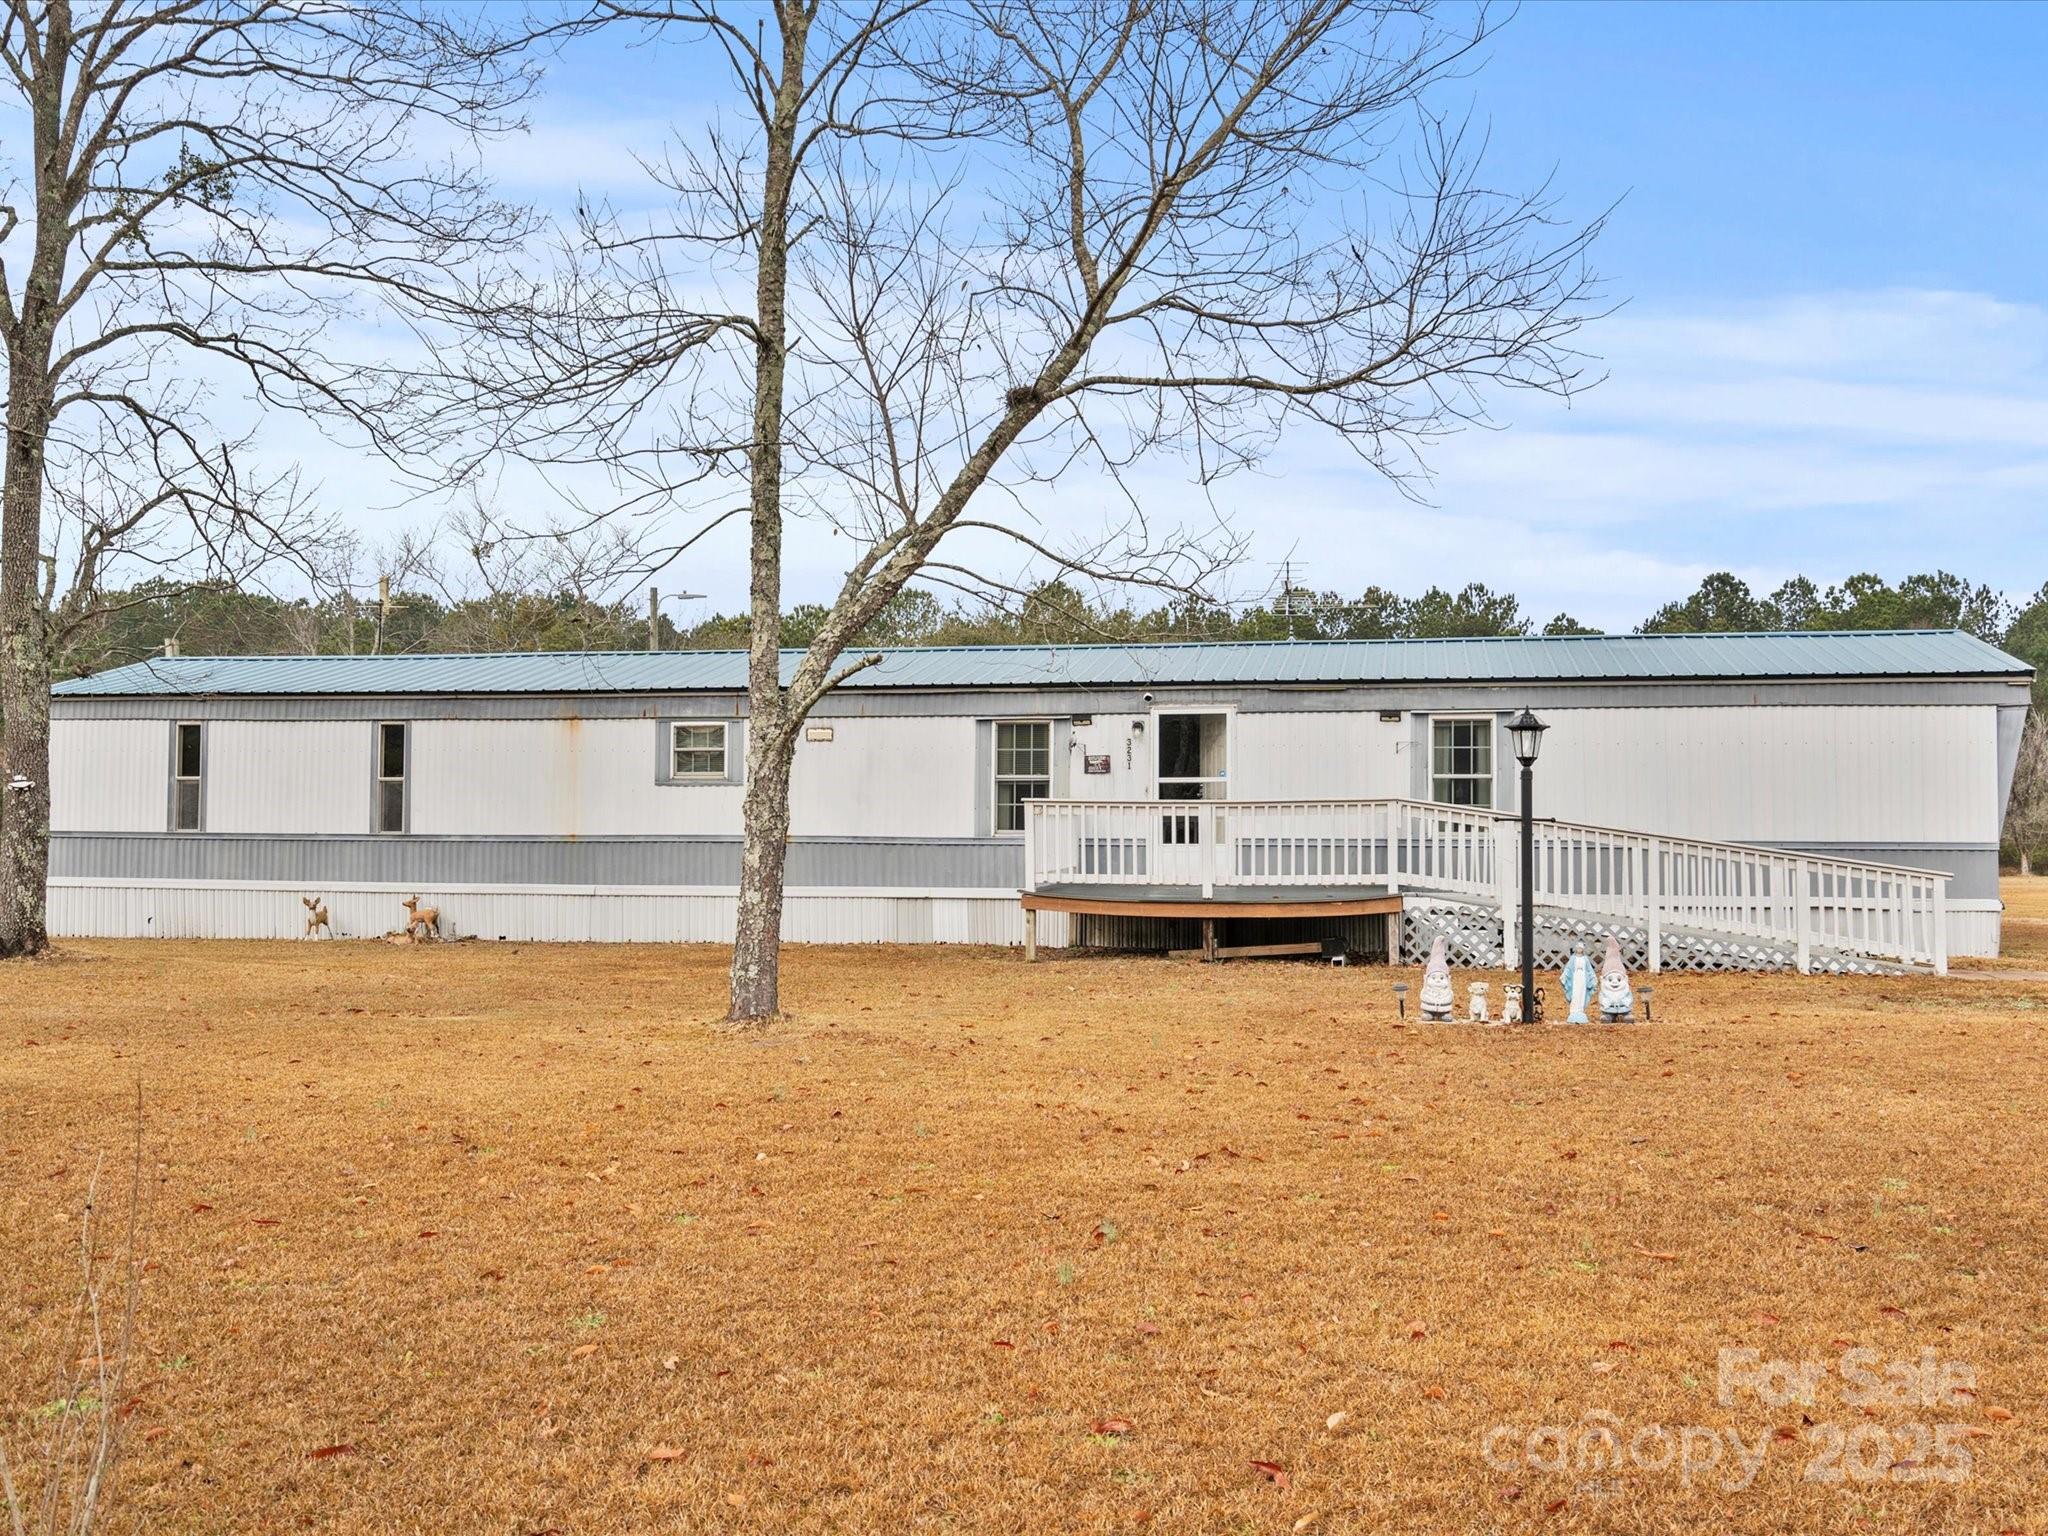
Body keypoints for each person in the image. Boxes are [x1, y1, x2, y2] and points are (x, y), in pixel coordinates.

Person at [1559, 940, 1596, 1025]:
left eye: (1581, 948)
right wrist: (1564, 976)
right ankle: (1573, 1010)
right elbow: (1568, 968)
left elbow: (1589, 969)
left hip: (1583, 978)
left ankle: (1580, 1010)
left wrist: (1593, 978)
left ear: (1583, 949)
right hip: (1575, 979)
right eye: (1578, 948)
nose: (1579, 950)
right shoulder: (1573, 958)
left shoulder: (1585, 959)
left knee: (1581, 994)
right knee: (1575, 994)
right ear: (1576, 949)